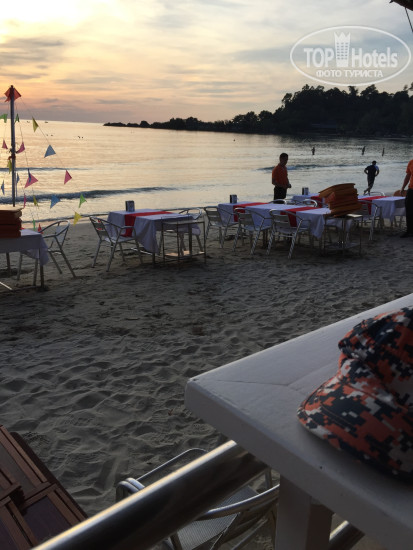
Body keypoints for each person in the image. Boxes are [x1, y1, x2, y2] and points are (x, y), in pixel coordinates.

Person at [400, 158, 413, 238]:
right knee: (409, 211)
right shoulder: (411, 162)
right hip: (411, 190)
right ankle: (409, 230)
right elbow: (408, 175)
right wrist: (403, 187)